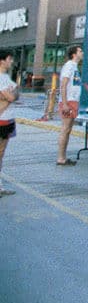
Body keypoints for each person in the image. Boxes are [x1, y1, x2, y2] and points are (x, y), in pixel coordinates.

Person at [56, 44, 83, 166]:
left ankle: (63, 156)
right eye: (80, 51)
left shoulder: (75, 67)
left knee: (68, 129)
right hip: (69, 101)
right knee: (65, 129)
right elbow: (63, 84)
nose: (82, 53)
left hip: (73, 101)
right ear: (74, 54)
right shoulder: (69, 66)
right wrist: (65, 103)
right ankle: (60, 158)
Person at [0, 49, 19, 196]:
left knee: (1, 153)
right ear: (2, 61)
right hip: (1, 119)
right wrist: (10, 96)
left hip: (8, 119)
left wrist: (8, 97)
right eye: (9, 59)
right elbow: (11, 97)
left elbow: (16, 94)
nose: (11, 61)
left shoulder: (6, 77)